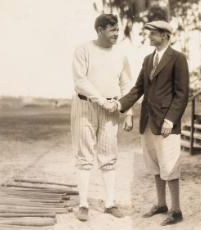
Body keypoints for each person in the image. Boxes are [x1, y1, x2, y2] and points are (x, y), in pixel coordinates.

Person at [114, 20, 189, 226]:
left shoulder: (178, 59)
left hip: (166, 124)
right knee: (155, 164)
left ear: (165, 35)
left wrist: (170, 119)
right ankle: (161, 204)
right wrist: (119, 105)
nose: (149, 36)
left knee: (170, 165)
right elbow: (138, 89)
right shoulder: (148, 60)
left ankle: (176, 210)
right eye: (149, 33)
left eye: (153, 33)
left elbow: (182, 94)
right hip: (148, 121)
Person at [71, 13, 133, 221]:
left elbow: (126, 84)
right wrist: (100, 100)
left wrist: (129, 111)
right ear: (99, 30)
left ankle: (109, 203)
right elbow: (80, 81)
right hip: (85, 106)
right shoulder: (83, 50)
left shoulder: (120, 55)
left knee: (109, 155)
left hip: (111, 108)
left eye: (118, 29)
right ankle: (83, 204)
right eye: (112, 29)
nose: (117, 33)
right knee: (84, 155)